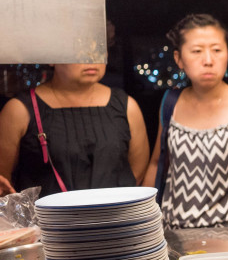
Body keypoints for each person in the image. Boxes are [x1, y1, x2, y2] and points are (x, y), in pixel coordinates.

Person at [144, 14, 228, 229]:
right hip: (172, 236)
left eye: (217, 50)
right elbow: (157, 163)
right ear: (179, 59)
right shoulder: (170, 103)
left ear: (227, 55)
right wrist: (142, 222)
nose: (208, 60)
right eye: (197, 51)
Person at [0, 63, 149, 196]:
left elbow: (136, 172)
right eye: (77, 49)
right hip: (45, 224)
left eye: (97, 48)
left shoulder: (127, 106)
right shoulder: (18, 110)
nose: (90, 59)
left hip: (117, 221)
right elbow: (4, 184)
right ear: (51, 57)